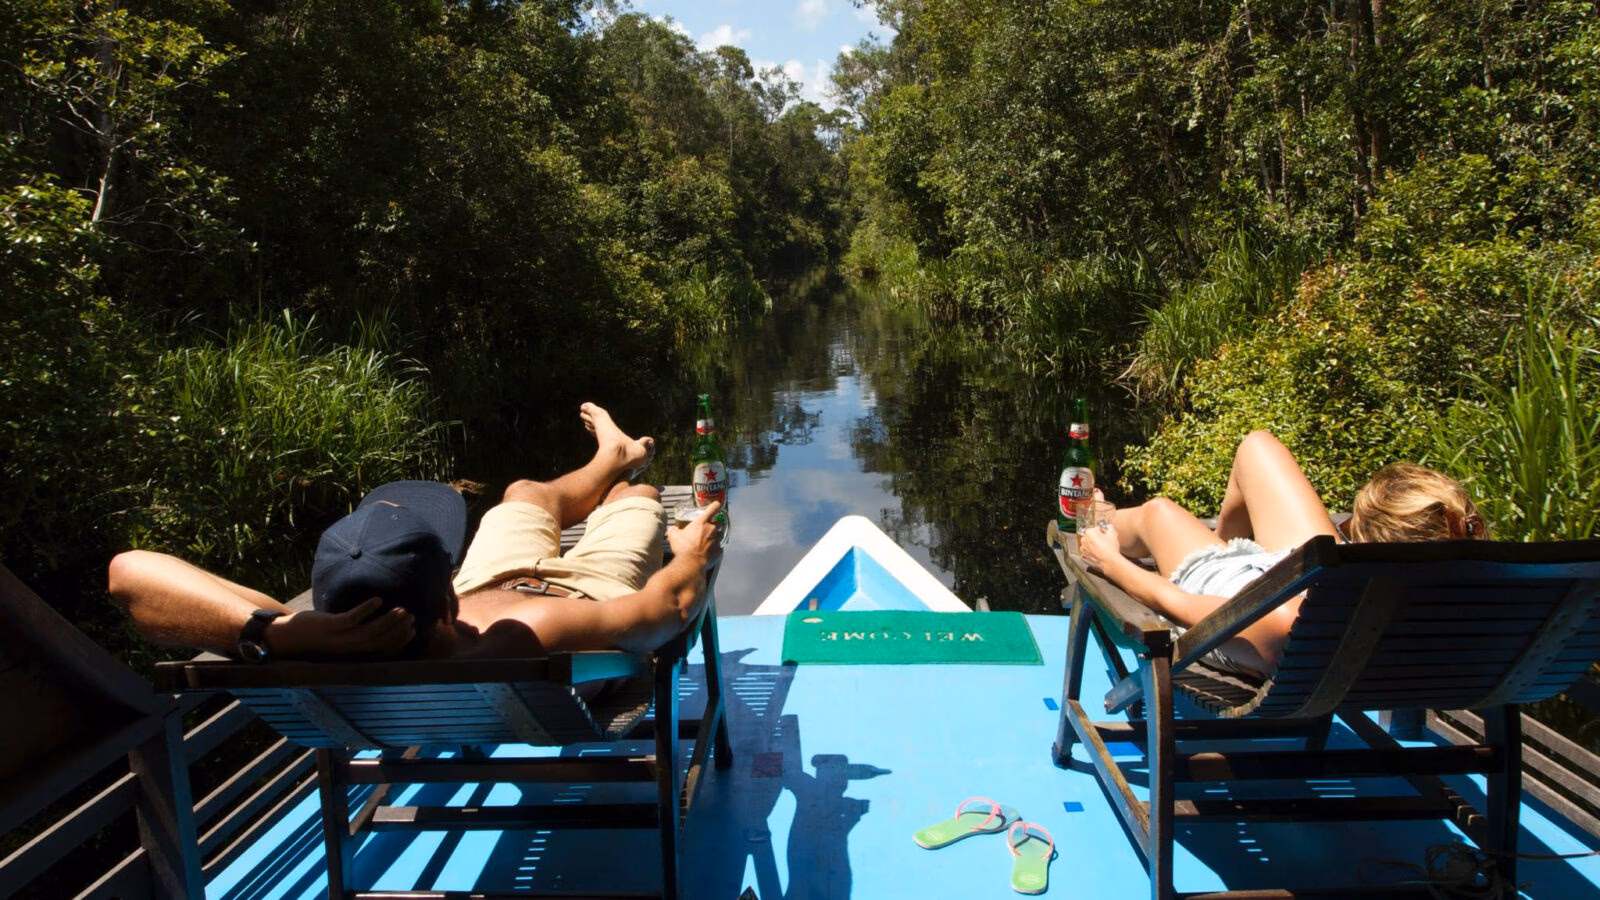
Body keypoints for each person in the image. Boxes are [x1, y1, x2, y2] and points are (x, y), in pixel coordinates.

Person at [109, 403, 725, 662]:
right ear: (447, 591)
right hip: (580, 589)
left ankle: (612, 457)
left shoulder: (320, 646)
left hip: (494, 579)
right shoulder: (525, 637)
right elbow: (671, 606)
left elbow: (128, 571)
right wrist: (689, 554)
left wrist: (277, 631)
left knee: (524, 495)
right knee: (636, 499)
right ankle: (620, 477)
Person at [1076, 430, 1486, 677]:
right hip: (1322, 595)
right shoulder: (1475, 595)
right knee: (1257, 447)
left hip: (1246, 606)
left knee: (1159, 513)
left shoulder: (1292, 623)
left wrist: (1109, 561)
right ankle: (1217, 541)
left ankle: (1095, 522)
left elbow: (1173, 603)